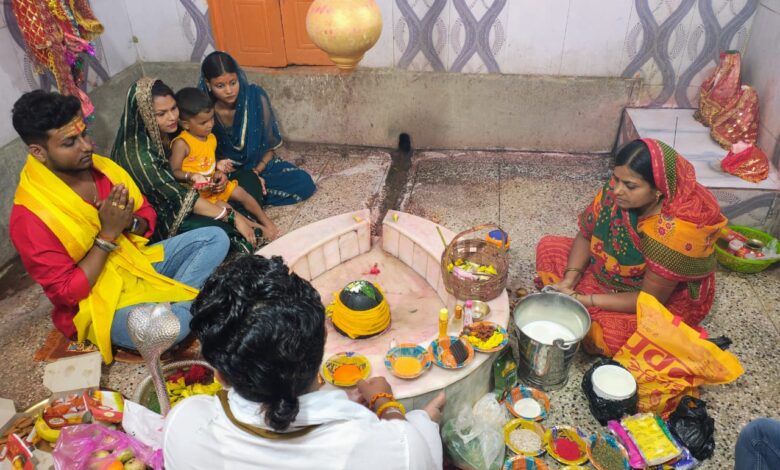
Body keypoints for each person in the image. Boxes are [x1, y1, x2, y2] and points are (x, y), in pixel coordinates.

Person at [9, 90, 230, 364]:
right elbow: (67, 293)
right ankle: (193, 302)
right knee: (167, 331)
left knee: (215, 238)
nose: (86, 146)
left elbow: (147, 219)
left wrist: (129, 222)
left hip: (136, 264)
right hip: (99, 301)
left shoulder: (103, 169)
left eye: (84, 134)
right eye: (70, 142)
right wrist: (108, 235)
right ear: (38, 152)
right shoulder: (30, 217)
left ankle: (178, 305)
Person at [164, 255, 445, 469]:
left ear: (220, 375)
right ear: (324, 336)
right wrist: (388, 406)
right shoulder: (395, 450)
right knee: (425, 423)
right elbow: (410, 450)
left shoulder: (184, 425)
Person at [535, 138, 727, 356]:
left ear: (658, 190)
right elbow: (587, 235)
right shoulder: (618, 193)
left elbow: (649, 300)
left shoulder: (673, 232)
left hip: (651, 295)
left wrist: (581, 299)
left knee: (609, 336)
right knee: (548, 247)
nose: (617, 190)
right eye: (616, 179)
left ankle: (582, 310)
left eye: (630, 186)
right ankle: (577, 303)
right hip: (608, 269)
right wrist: (569, 279)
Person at [111, 77, 266, 252]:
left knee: (248, 178)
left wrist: (219, 174)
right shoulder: (139, 156)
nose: (172, 117)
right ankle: (245, 224)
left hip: (197, 190)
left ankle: (244, 220)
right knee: (217, 232)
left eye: (173, 108)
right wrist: (233, 218)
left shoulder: (168, 128)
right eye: (161, 114)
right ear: (144, 116)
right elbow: (179, 198)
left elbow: (202, 157)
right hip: (167, 215)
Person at [198, 51, 316, 205]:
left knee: (303, 182)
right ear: (208, 84)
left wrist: (256, 172)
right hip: (229, 174)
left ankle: (248, 197)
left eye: (233, 82)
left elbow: (269, 149)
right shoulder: (204, 113)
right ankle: (247, 196)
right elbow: (202, 156)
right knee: (214, 191)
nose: (229, 90)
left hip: (259, 167)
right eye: (220, 86)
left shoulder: (255, 97)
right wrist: (220, 170)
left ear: (238, 77)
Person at [169, 87, 280, 240]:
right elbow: (174, 171)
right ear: (186, 124)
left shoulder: (210, 138)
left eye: (212, 119)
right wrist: (191, 176)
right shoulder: (182, 143)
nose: (210, 125)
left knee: (242, 193)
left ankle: (266, 221)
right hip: (200, 197)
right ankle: (257, 228)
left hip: (214, 187)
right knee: (229, 211)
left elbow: (205, 163)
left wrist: (218, 168)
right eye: (203, 122)